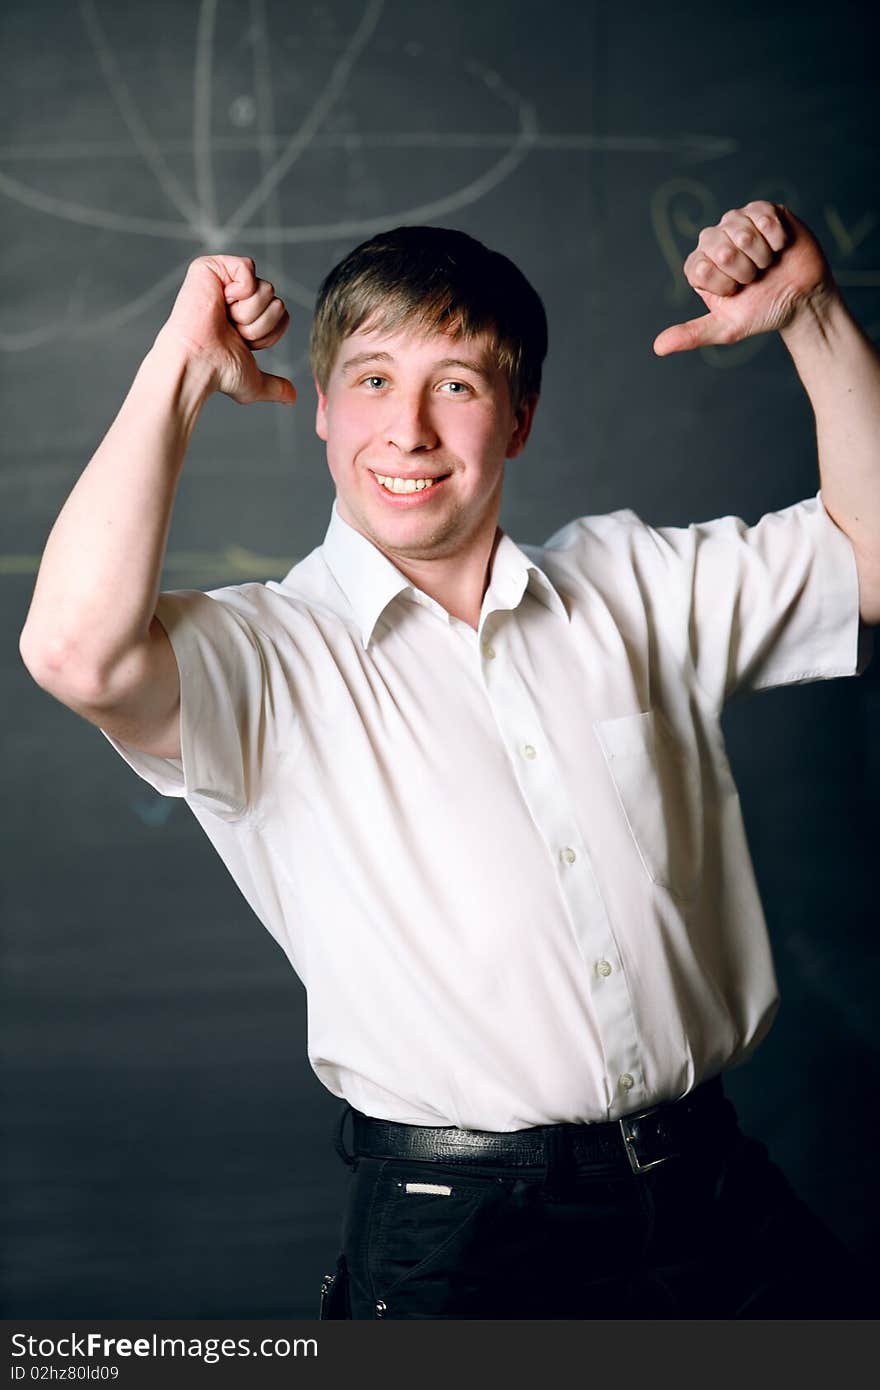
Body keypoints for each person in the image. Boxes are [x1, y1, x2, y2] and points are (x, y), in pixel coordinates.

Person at [19, 201, 879, 1319]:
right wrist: (183, 364)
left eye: (458, 385)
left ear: (518, 420)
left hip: (710, 1194)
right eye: (372, 380)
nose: (409, 430)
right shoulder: (267, 656)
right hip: (462, 1237)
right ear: (320, 410)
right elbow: (74, 651)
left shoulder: (630, 584)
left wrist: (809, 313)